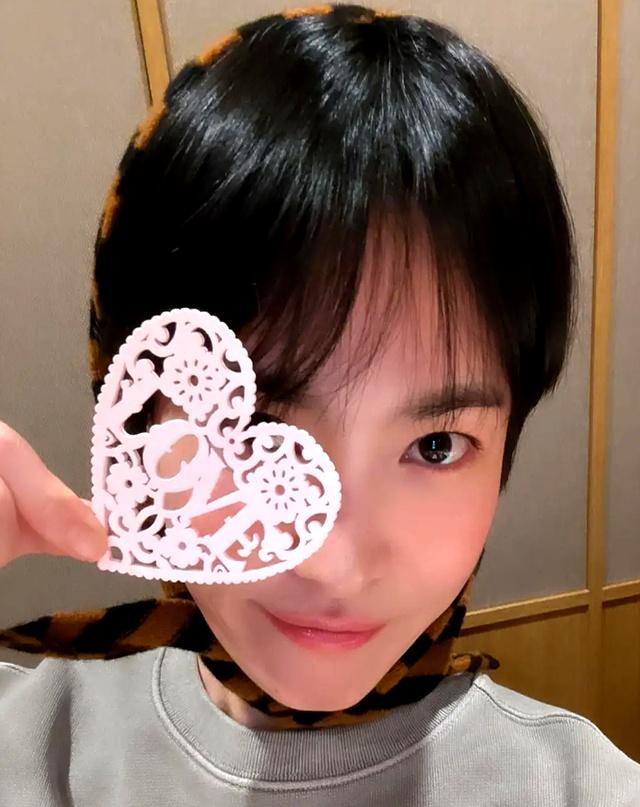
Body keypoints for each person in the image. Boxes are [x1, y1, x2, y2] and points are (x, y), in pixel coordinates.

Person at [1, 4, 639, 805]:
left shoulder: (584, 789)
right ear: (133, 414)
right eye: (257, 427)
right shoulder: (32, 750)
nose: (332, 564)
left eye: (436, 445)